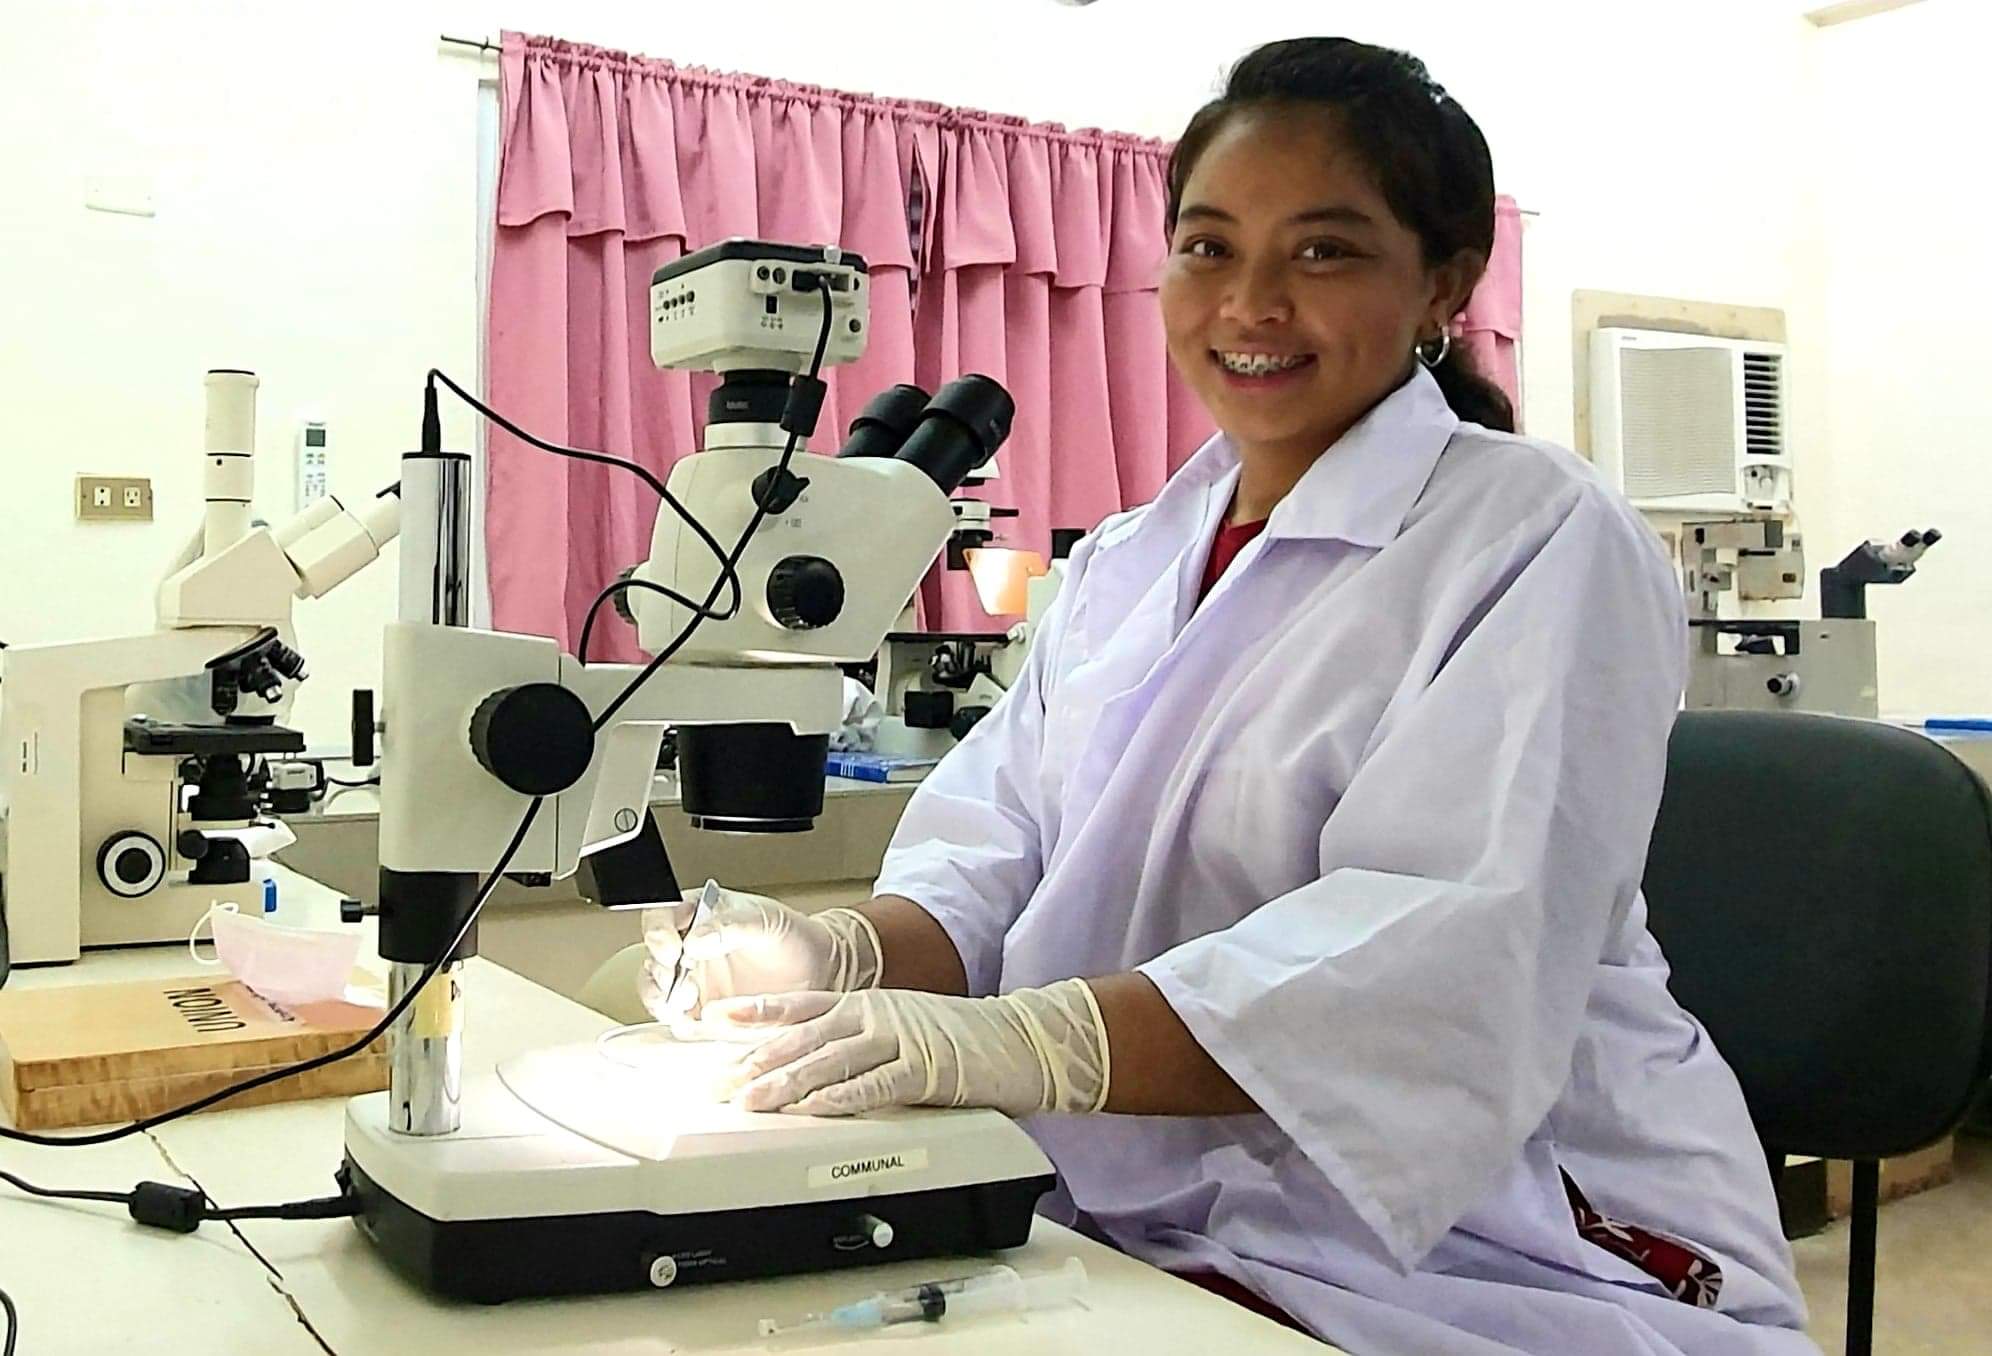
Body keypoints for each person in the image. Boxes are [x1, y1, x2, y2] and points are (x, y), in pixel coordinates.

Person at [640, 37, 1818, 1356]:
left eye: (1322, 252)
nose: (1249, 303)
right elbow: (999, 855)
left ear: (1445, 282)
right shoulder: (1129, 562)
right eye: (1207, 247)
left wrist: (1017, 1046)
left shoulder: (1538, 537)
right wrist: (835, 953)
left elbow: (1430, 951)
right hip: (1127, 1201)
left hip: (1493, 1241)